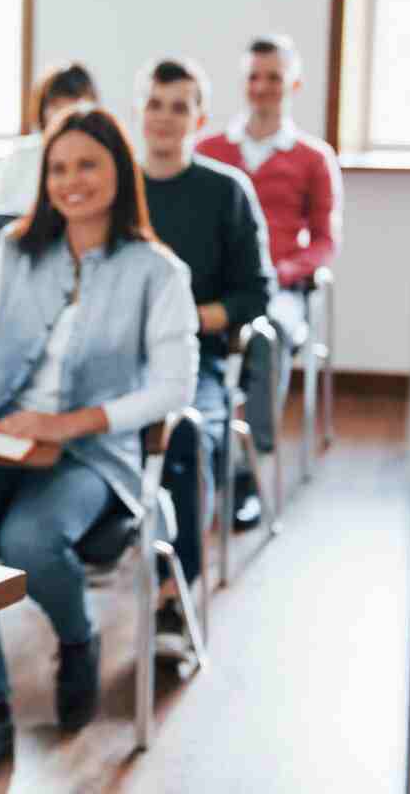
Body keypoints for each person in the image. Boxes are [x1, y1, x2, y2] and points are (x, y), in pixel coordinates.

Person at [0, 105, 199, 784]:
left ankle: (78, 639)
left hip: (90, 453)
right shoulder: (19, 251)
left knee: (28, 540)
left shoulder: (157, 271)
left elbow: (173, 388)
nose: (71, 180)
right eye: (59, 168)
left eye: (88, 165)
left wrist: (68, 425)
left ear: (120, 173)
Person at [136, 58, 275, 640]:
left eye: (179, 106)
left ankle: (174, 590)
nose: (165, 118)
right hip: (114, 360)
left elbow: (255, 293)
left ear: (200, 117)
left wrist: (184, 318)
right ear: (141, 111)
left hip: (198, 357)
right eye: (155, 104)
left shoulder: (226, 191)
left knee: (189, 436)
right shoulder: (117, 189)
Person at [196, 35, 343, 527]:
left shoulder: (313, 156)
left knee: (268, 334)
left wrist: (286, 271)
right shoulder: (209, 149)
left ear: (293, 84)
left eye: (273, 78)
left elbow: (325, 240)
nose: (262, 87)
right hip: (215, 285)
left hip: (278, 287)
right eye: (254, 77)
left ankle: (243, 469)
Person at [0, 62, 100, 215]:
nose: (66, 115)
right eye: (57, 106)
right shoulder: (18, 157)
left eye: (74, 105)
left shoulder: (103, 156)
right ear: (42, 110)